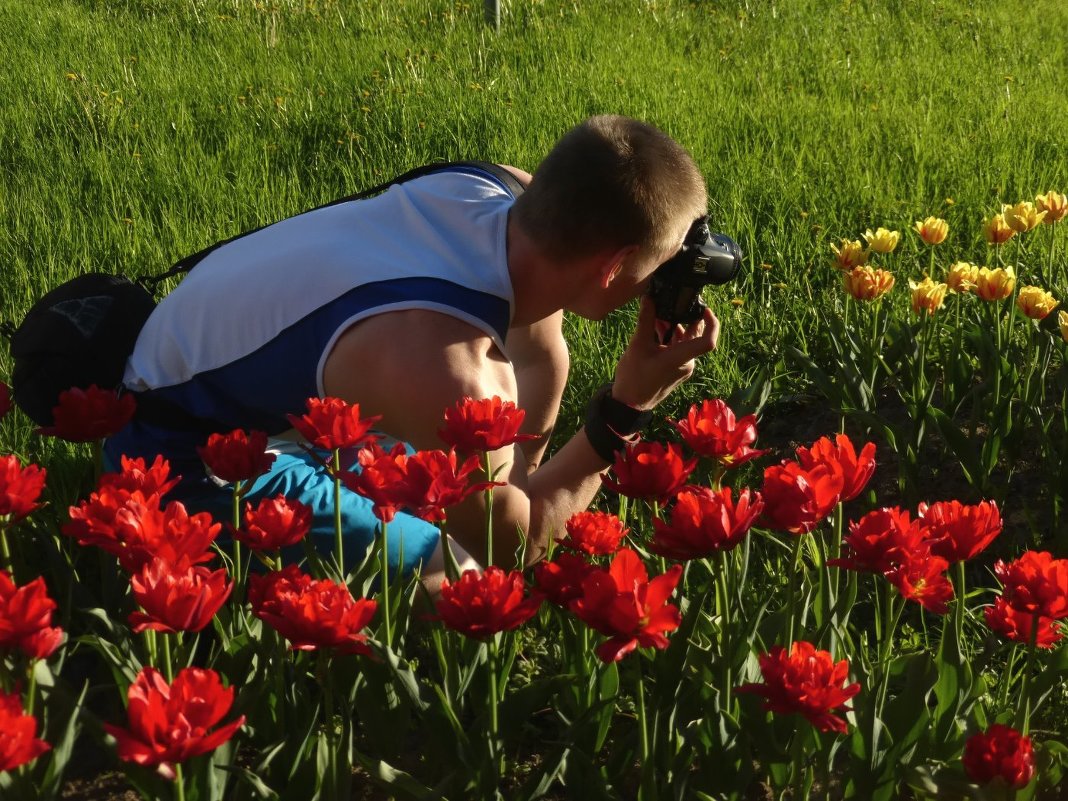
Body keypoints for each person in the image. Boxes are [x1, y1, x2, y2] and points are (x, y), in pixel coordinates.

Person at [105, 115, 720, 584]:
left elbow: (538, 355)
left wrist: (517, 477)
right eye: (663, 265)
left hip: (210, 374)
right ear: (613, 267)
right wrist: (626, 410)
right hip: (178, 460)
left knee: (452, 496)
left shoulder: (497, 190)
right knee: (465, 579)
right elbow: (516, 549)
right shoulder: (451, 371)